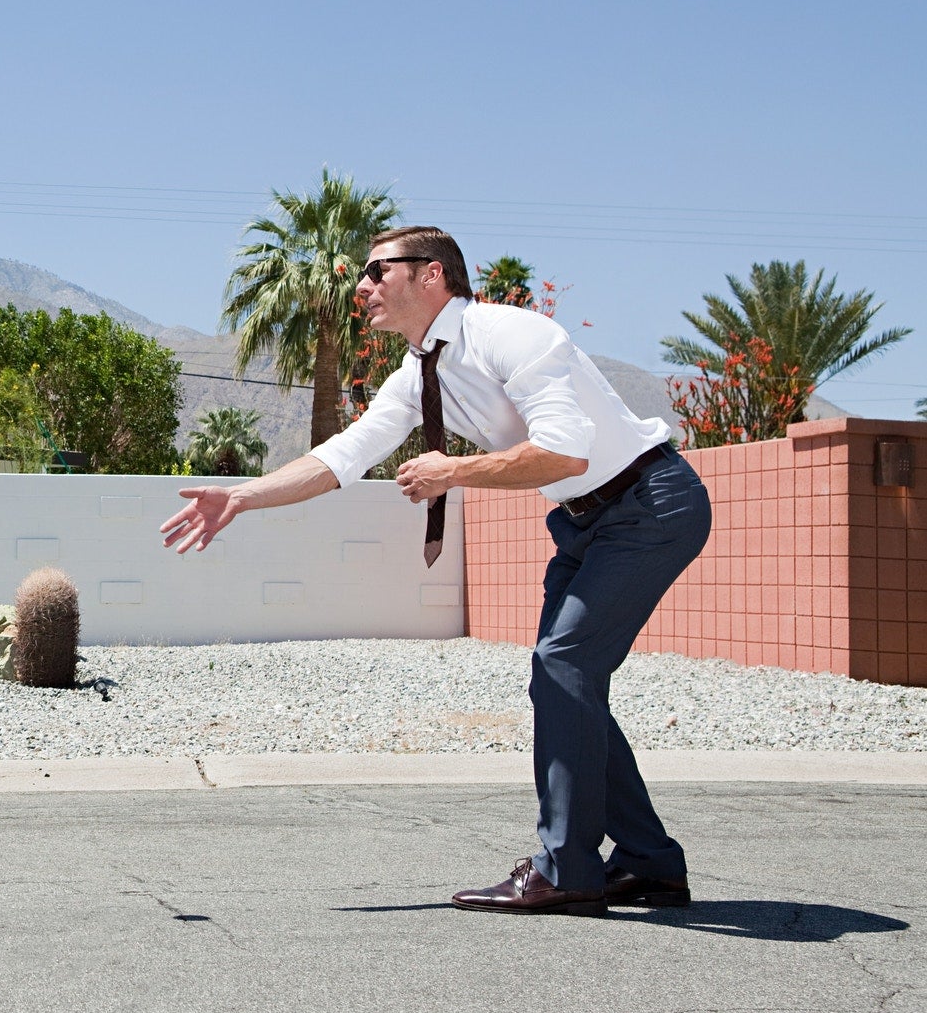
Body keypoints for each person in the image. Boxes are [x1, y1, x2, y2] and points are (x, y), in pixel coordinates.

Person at [161, 226, 711, 917]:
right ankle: (646, 863)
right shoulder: (418, 373)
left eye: (374, 271)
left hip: (647, 503)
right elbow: (344, 455)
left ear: (431, 274)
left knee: (563, 665)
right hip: (583, 522)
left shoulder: (509, 334)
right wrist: (242, 497)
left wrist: (455, 471)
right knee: (564, 681)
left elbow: (565, 454)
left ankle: (568, 868)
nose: (359, 287)